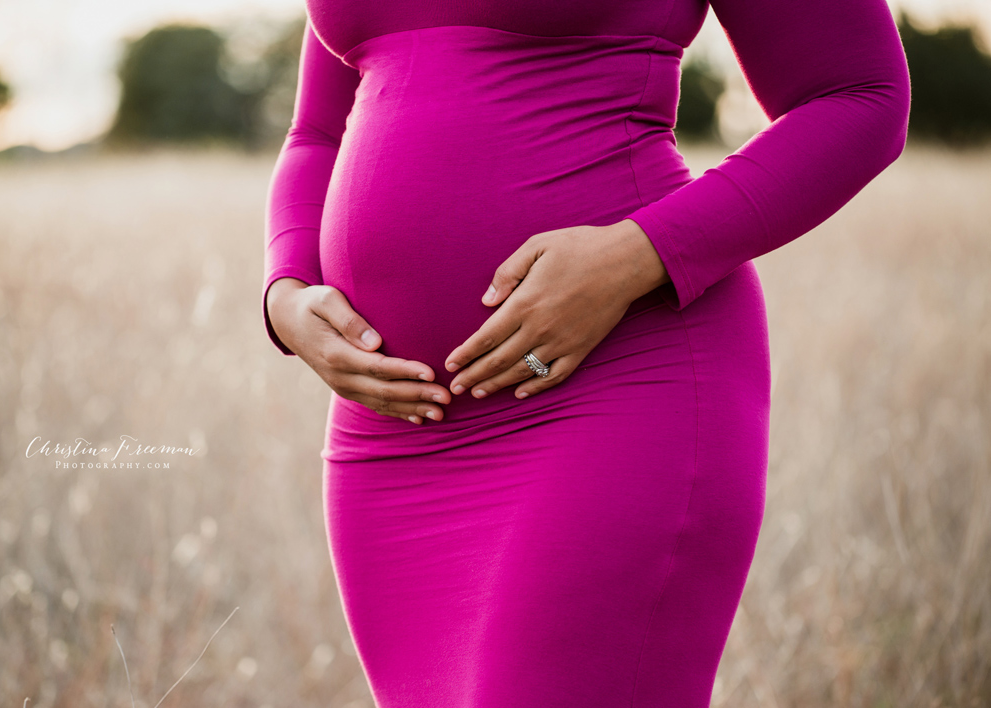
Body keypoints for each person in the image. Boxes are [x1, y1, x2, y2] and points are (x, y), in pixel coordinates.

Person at [261, 0, 909, 705]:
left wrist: (637, 255)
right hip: (397, 435)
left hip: (620, 385)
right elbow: (317, 130)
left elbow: (860, 95)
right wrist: (286, 291)